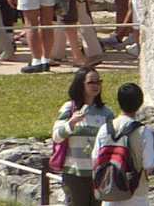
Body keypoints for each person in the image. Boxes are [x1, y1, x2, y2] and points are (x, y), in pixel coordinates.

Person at [51, 66, 114, 206]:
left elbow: (112, 141)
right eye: (91, 82)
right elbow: (56, 136)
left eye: (99, 81)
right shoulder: (69, 108)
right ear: (81, 85)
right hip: (74, 173)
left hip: (99, 173)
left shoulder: (106, 112)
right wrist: (71, 123)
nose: (96, 85)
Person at [89, 81, 154, 202]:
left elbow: (95, 158)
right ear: (140, 103)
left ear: (119, 101)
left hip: (108, 191)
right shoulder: (143, 131)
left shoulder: (105, 129)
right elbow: (149, 164)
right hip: (136, 193)